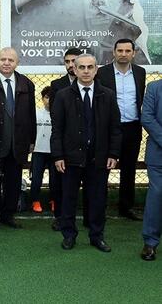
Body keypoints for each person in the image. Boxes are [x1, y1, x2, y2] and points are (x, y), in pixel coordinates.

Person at [51, 53, 121, 252]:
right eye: (81, 67)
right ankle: (69, 235)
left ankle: (97, 236)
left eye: (90, 67)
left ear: (96, 70)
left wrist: (113, 153)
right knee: (68, 199)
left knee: (98, 199)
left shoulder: (107, 95)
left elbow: (115, 128)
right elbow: (57, 129)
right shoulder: (63, 95)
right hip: (70, 158)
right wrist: (58, 156)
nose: (86, 71)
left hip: (98, 157)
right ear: (74, 69)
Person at [0, 47, 36, 230]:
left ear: (17, 63)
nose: (6, 63)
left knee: (14, 181)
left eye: (11, 60)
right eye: (3, 59)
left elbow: (31, 114)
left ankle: (8, 215)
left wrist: (32, 139)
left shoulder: (26, 84)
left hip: (17, 142)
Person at [96, 39, 146, 221]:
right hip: (109, 129)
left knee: (129, 169)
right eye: (120, 50)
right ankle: (99, 207)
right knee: (103, 168)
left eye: (127, 51)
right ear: (114, 52)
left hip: (132, 127)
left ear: (134, 53)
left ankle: (126, 207)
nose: (123, 54)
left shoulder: (140, 72)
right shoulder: (102, 73)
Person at [49, 47, 83, 230]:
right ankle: (60, 216)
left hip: (87, 142)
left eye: (74, 61)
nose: (71, 65)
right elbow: (55, 116)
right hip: (64, 141)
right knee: (59, 182)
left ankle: (89, 218)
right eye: (67, 62)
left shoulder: (95, 84)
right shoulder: (57, 85)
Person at [140, 79, 162, 261]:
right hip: (158, 154)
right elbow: (147, 117)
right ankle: (150, 242)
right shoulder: (154, 88)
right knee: (157, 194)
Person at [30, 86, 59, 215]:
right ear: (42, 99)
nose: (49, 100)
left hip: (54, 151)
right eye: (47, 97)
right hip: (38, 150)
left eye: (52, 98)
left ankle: (54, 200)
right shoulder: (36, 113)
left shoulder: (59, 114)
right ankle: (35, 200)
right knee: (36, 178)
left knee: (55, 179)